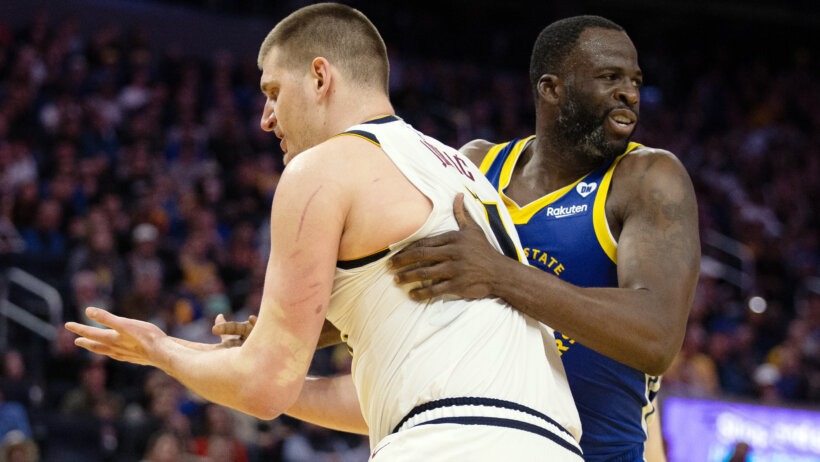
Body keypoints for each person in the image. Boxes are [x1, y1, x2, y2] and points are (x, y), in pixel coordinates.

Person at [66, 4, 583, 460]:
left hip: (446, 445)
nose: (266, 118)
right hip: (550, 442)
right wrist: (216, 358)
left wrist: (162, 350)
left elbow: (263, 388)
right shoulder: (465, 174)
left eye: (273, 91)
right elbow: (388, 395)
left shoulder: (323, 168)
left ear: (319, 77)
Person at [215, 15, 698, 462]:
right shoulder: (476, 165)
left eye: (634, 81)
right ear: (552, 89)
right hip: (474, 441)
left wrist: (501, 276)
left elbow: (655, 338)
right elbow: (407, 277)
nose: (630, 94)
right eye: (610, 78)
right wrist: (285, 334)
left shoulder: (649, 176)